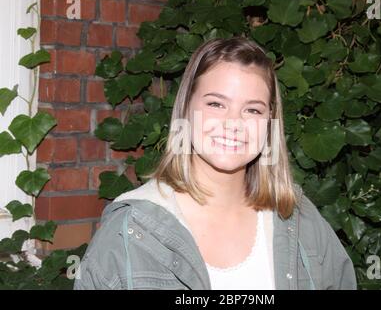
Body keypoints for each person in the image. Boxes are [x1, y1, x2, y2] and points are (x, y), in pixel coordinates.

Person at [74, 36, 357, 290]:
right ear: (186, 107)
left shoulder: (298, 218)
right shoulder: (131, 230)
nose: (233, 123)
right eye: (216, 104)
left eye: (252, 109)